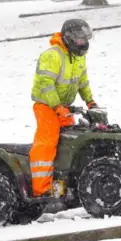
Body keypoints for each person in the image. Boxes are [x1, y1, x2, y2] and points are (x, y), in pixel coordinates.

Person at [28, 18, 99, 198]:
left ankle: (62, 185)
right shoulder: (52, 55)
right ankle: (41, 190)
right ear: (68, 38)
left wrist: (90, 102)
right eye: (81, 39)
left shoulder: (78, 57)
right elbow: (45, 83)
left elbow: (83, 82)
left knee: (69, 143)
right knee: (47, 142)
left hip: (64, 107)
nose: (84, 43)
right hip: (46, 106)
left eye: (86, 39)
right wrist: (56, 106)